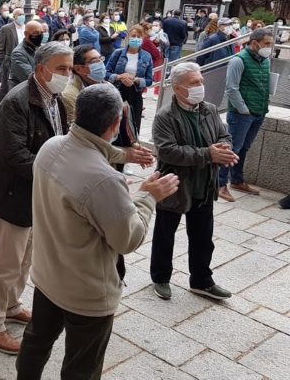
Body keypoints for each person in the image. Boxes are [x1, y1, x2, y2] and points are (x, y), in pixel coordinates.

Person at [17, 84, 179, 378]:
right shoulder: (104, 179)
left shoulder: (50, 147)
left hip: (47, 275)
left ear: (76, 113)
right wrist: (148, 196)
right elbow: (127, 238)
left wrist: (121, 156)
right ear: (116, 123)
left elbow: (89, 153)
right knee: (82, 367)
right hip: (85, 292)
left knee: (35, 342)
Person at [0, 42, 73, 355]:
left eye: (69, 69)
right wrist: (56, 173)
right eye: (62, 68)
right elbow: (15, 155)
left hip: (37, 193)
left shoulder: (54, 99)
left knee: (27, 257)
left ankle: (11, 305)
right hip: (12, 193)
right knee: (6, 263)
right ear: (42, 68)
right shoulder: (16, 101)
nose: (67, 75)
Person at [151, 62, 237, 301]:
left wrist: (224, 146)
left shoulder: (208, 109)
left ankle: (201, 281)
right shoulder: (165, 116)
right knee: (165, 235)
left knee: (202, 237)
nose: (200, 86)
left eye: (201, 81)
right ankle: (160, 277)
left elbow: (223, 133)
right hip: (174, 185)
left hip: (204, 184)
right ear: (178, 88)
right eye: (194, 83)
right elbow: (168, 151)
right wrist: (209, 154)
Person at [218, 28, 273, 202]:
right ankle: (220, 184)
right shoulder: (238, 60)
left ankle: (237, 180)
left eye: (271, 44)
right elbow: (231, 88)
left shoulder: (265, 60)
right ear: (255, 43)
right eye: (266, 44)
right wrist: (243, 109)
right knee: (232, 148)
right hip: (242, 114)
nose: (269, 47)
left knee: (244, 147)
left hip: (259, 111)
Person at [105, 25, 153, 151]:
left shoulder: (146, 56)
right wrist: (120, 77)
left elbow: (149, 80)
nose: (136, 39)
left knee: (132, 126)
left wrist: (135, 80)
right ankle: (112, 152)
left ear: (143, 38)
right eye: (133, 36)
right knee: (115, 124)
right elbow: (106, 73)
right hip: (117, 92)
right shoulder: (118, 53)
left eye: (139, 36)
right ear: (128, 38)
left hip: (135, 94)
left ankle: (129, 156)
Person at [61, 44, 106, 125]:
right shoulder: (69, 95)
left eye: (101, 59)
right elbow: (76, 127)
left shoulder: (106, 85)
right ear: (78, 68)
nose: (101, 64)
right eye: (94, 61)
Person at [0, 8, 26, 104]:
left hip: (24, 61)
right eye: (19, 14)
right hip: (10, 61)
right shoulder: (6, 28)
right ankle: (0, 105)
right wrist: (5, 60)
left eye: (23, 14)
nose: (22, 16)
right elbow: (0, 48)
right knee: (5, 85)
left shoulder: (27, 27)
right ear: (14, 16)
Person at [8, 21, 49, 90]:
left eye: (41, 33)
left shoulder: (40, 48)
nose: (39, 35)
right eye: (35, 33)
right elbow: (31, 78)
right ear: (26, 34)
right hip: (24, 94)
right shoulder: (18, 54)